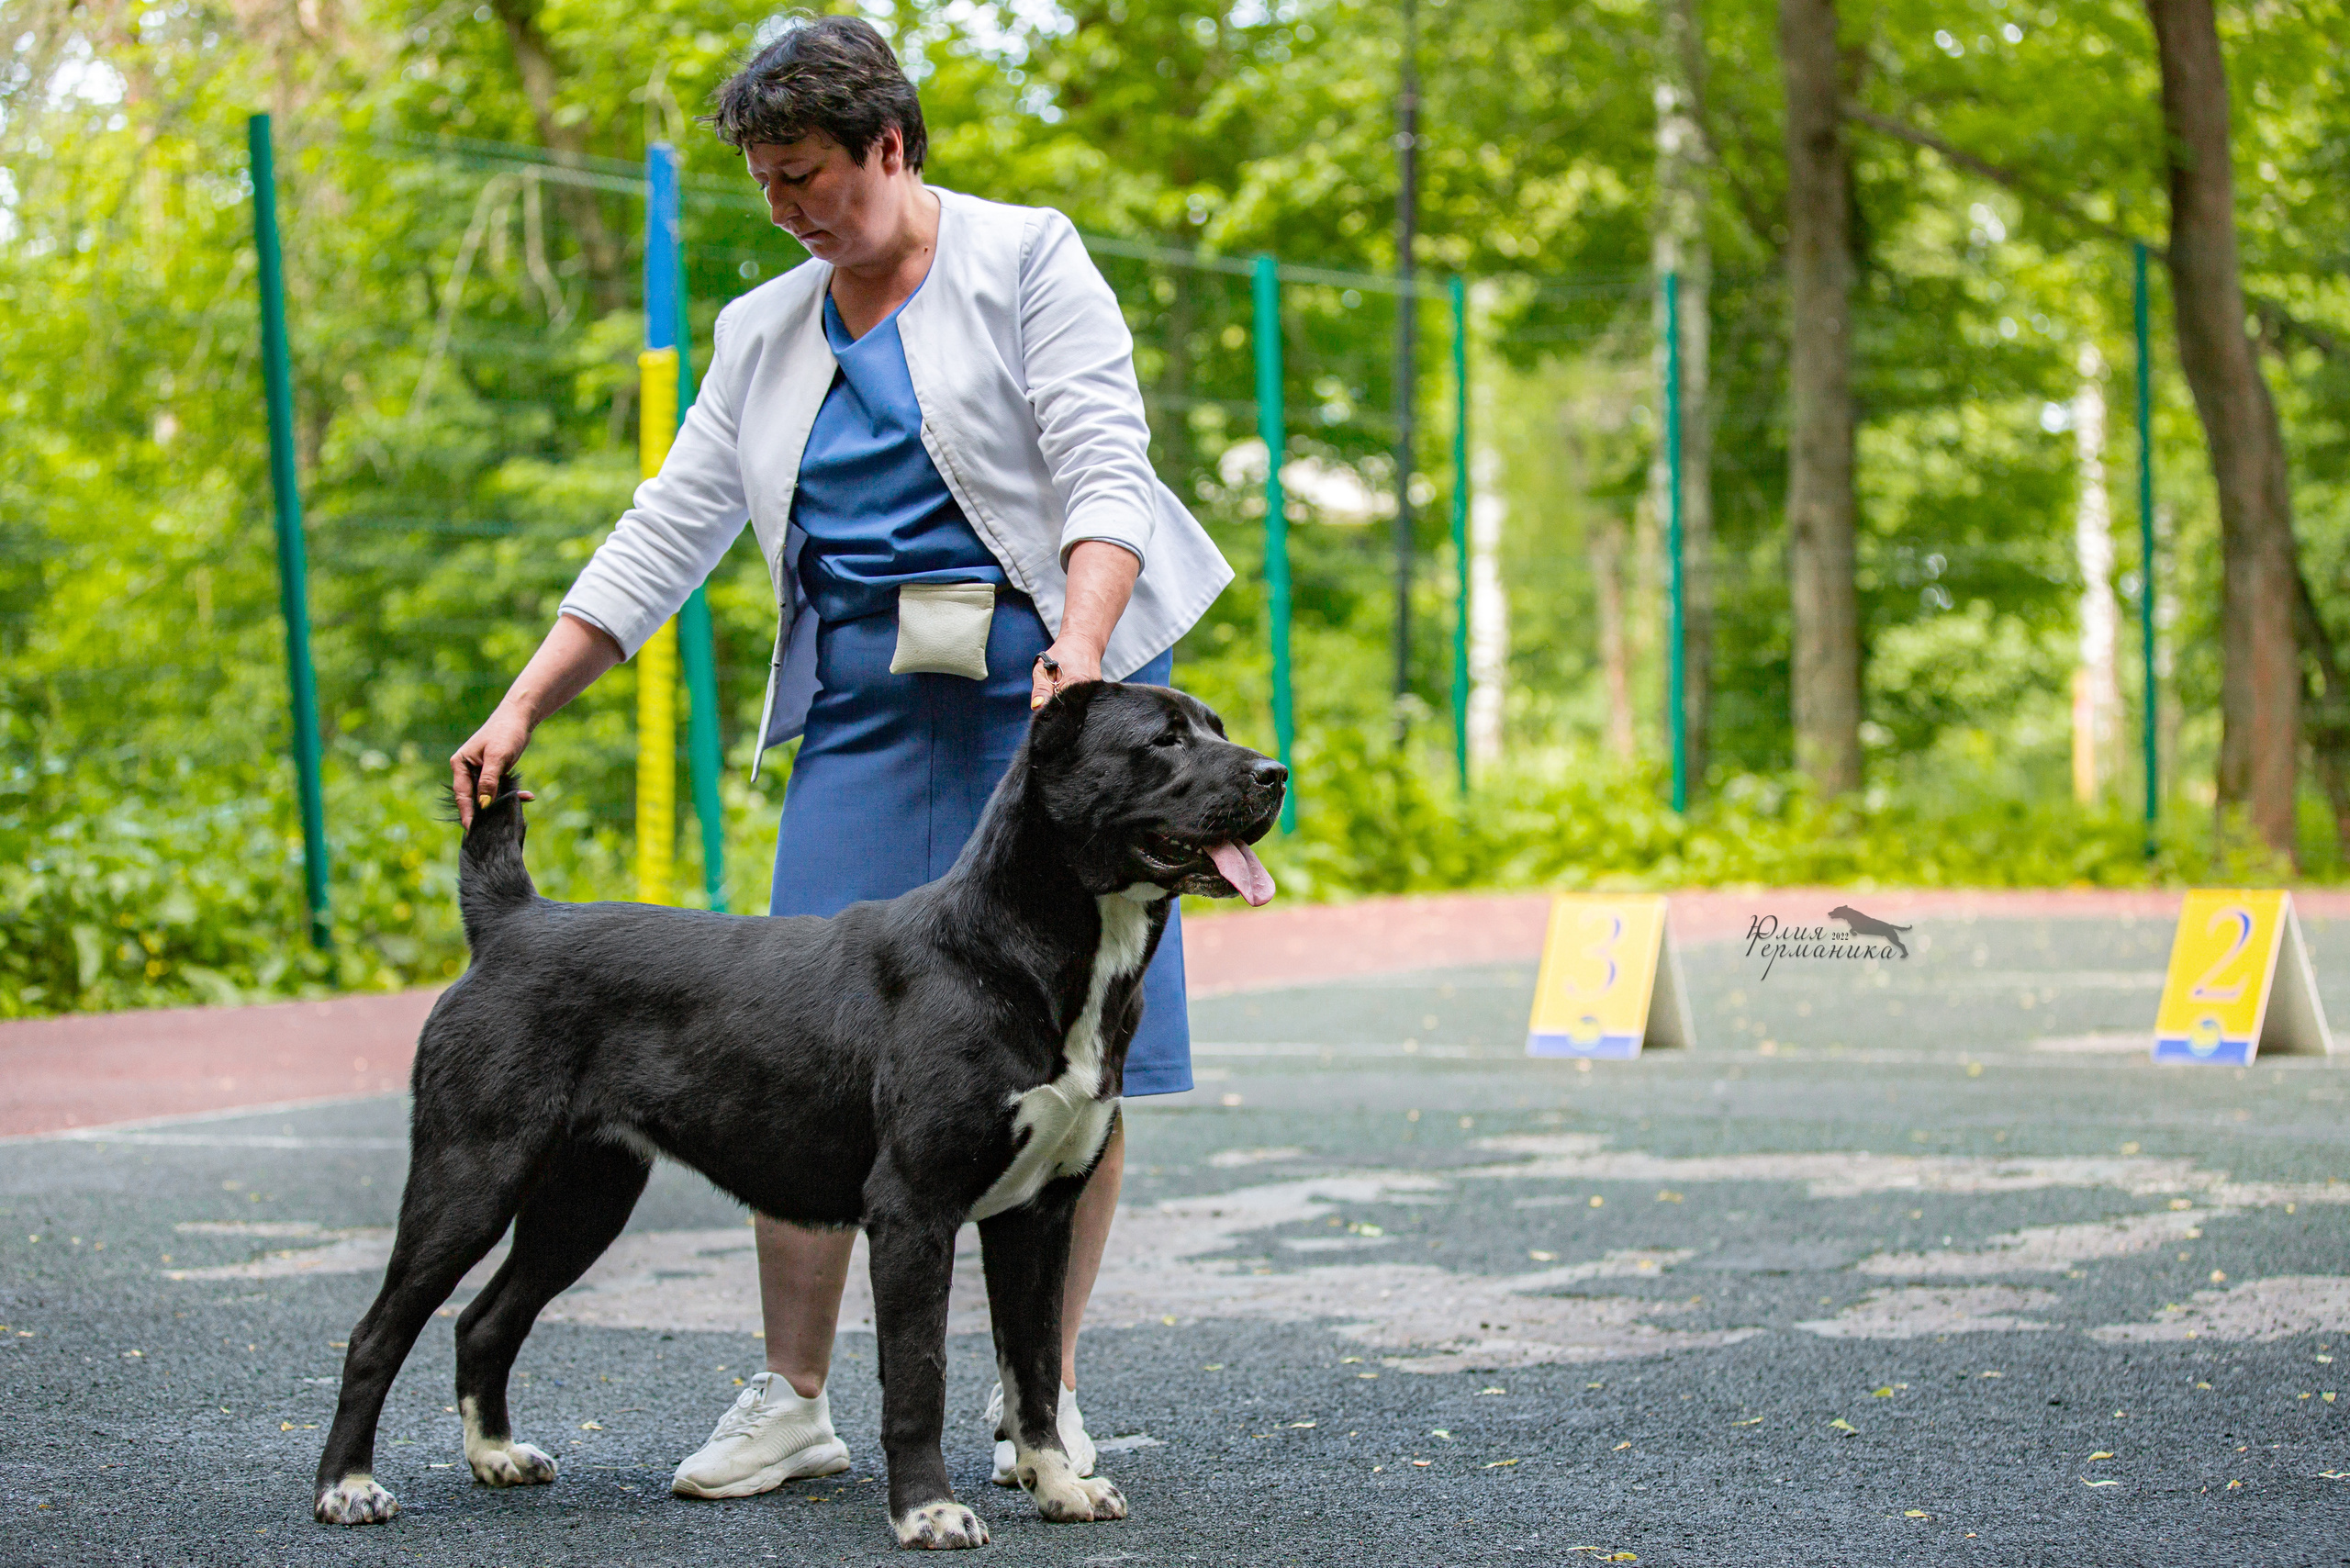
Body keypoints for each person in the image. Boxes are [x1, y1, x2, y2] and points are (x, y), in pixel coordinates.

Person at [447, 15, 1232, 1502]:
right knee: (793, 1050)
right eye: (764, 183)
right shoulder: (765, 329)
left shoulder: (1026, 257)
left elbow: (1102, 460)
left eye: (807, 175)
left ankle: (1041, 1397)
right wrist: (527, 699)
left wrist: (1082, 649)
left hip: (1050, 705)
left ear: (893, 143)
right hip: (870, 716)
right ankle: (794, 1394)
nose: (788, 208)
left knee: (1076, 1060)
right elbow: (668, 528)